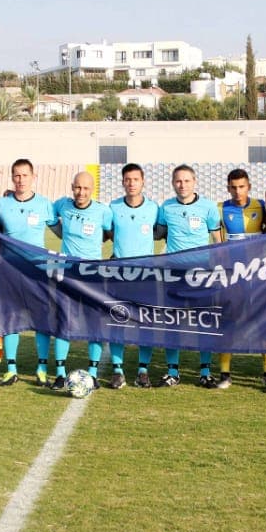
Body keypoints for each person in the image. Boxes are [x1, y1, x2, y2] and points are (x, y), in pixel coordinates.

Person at [0, 158, 57, 386]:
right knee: (11, 319)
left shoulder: (45, 205)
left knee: (42, 319)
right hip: (9, 271)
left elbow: (60, 229)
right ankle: (10, 369)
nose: (21, 179)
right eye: (17, 175)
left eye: (25, 175)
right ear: (12, 177)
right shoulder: (1, 205)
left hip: (38, 271)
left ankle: (41, 368)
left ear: (34, 177)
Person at [157, 164, 223, 387]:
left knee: (202, 323)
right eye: (178, 181)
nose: (182, 185)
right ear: (173, 183)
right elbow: (161, 233)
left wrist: (217, 269)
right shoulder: (166, 207)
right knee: (172, 323)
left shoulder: (208, 207)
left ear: (194, 182)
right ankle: (173, 372)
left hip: (201, 275)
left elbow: (217, 241)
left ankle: (205, 372)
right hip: (174, 274)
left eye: (186, 180)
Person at [49, 170, 113, 389]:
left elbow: (110, 234)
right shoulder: (62, 205)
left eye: (86, 188)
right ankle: (59, 373)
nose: (81, 192)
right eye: (77, 187)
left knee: (94, 325)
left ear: (92, 189)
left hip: (93, 276)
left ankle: (93, 373)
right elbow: (50, 220)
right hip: (67, 274)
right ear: (72, 187)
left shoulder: (103, 211)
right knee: (64, 323)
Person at [107, 162, 162, 388]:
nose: (131, 183)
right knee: (117, 320)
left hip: (145, 275)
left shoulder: (154, 208)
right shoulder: (113, 207)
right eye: (127, 179)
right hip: (119, 275)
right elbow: (108, 232)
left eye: (135, 179)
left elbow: (160, 232)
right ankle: (118, 371)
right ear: (123, 182)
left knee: (144, 323)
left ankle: (142, 370)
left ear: (143, 181)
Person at [216, 167, 266, 389]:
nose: (238, 191)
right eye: (233, 187)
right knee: (228, 322)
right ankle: (225, 373)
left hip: (258, 276)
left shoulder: (262, 206)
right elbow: (217, 243)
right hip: (232, 277)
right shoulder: (220, 209)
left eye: (242, 187)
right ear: (228, 188)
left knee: (264, 323)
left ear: (248, 187)